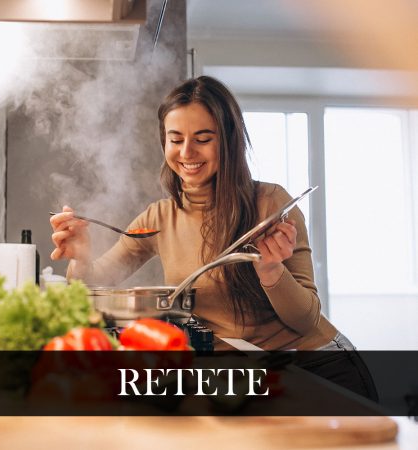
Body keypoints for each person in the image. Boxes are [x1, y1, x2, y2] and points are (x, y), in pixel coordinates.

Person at [50, 75, 377, 401]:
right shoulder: (158, 218)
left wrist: (272, 271)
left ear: (229, 140)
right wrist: (80, 257)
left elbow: (306, 320)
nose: (186, 152)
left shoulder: (271, 203)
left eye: (203, 138)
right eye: (175, 139)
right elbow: (89, 288)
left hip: (318, 367)